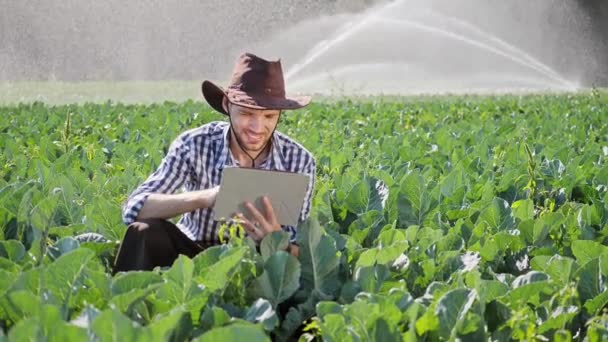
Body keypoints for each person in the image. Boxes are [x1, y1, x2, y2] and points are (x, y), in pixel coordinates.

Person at [112, 52, 316, 274]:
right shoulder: (195, 144)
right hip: (191, 255)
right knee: (143, 230)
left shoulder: (299, 161)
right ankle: (125, 303)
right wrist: (206, 197)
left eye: (269, 117)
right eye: (247, 114)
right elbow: (134, 209)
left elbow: (300, 252)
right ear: (227, 105)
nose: (258, 128)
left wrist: (275, 241)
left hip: (255, 262)